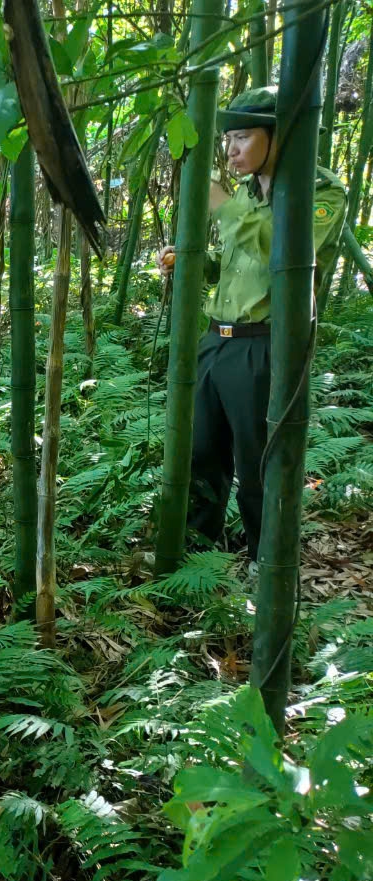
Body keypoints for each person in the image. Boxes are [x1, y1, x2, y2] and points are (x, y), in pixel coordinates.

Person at [157, 87, 346, 563]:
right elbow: (237, 265)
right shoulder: (246, 193)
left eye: (242, 137)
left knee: (260, 464)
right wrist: (193, 263)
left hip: (265, 346)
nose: (231, 150)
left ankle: (269, 564)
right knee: (200, 455)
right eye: (229, 139)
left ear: (278, 136)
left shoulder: (318, 191)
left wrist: (220, 202)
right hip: (216, 340)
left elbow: (284, 249)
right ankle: (199, 562)